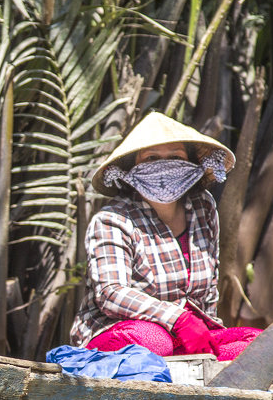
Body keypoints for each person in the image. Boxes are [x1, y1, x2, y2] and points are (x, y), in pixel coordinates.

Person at [69, 111, 261, 361]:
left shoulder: (203, 208)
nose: (163, 165)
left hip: (182, 338)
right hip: (121, 334)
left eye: (175, 156)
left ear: (191, 163)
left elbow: (209, 290)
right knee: (155, 341)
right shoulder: (112, 220)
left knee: (263, 344)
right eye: (151, 158)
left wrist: (202, 332)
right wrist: (177, 319)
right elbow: (111, 293)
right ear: (132, 168)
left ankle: (191, 365)